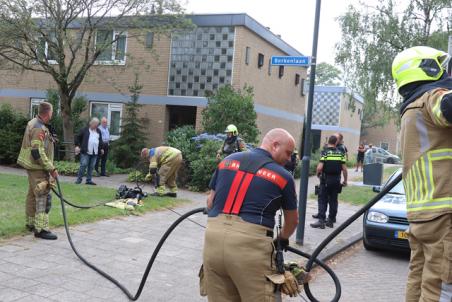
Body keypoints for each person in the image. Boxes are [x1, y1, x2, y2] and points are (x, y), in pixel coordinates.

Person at [203, 128, 299, 301]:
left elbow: (210, 203)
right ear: (275, 145)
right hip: (250, 249)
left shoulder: (227, 161)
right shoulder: (284, 177)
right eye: (288, 153)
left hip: (213, 243)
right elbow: (292, 221)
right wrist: (282, 238)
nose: (289, 159)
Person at [392, 46, 452, 302]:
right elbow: (447, 106)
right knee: (440, 287)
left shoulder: (409, 113)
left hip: (420, 216)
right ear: (429, 68)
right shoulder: (431, 98)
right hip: (444, 214)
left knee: (417, 281)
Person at [17, 102, 59, 240]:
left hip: (32, 167)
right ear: (48, 113)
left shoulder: (34, 122)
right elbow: (37, 151)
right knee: (42, 195)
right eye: (52, 112)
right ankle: (41, 229)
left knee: (32, 194)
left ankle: (30, 223)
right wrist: (51, 168)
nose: (52, 114)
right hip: (38, 168)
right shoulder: (39, 128)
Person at [311, 135, 347, 229]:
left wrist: (317, 174)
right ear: (336, 143)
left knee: (323, 200)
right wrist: (345, 181)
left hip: (326, 180)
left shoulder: (325, 152)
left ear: (329, 142)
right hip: (336, 180)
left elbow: (319, 167)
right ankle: (330, 221)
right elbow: (344, 169)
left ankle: (321, 221)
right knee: (333, 200)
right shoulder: (340, 153)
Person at [75, 118, 104, 185]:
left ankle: (89, 180)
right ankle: (79, 180)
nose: (96, 126)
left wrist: (101, 148)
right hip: (86, 151)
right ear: (91, 123)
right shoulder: (84, 130)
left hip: (95, 152)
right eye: (95, 125)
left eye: (97, 125)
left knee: (91, 167)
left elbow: (100, 140)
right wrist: (77, 146)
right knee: (83, 165)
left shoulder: (98, 131)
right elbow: (77, 138)